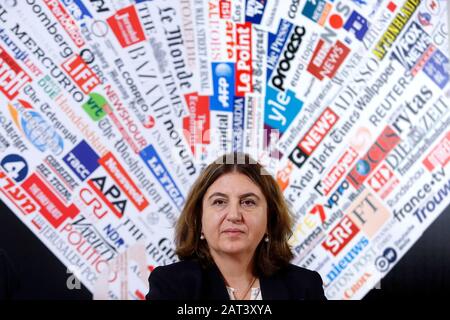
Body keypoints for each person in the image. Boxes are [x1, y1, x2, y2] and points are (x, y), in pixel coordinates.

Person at [146, 152, 326, 300]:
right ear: (199, 220)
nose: (234, 216)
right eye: (219, 202)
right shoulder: (170, 285)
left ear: (270, 220)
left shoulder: (305, 287)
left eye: (248, 202)